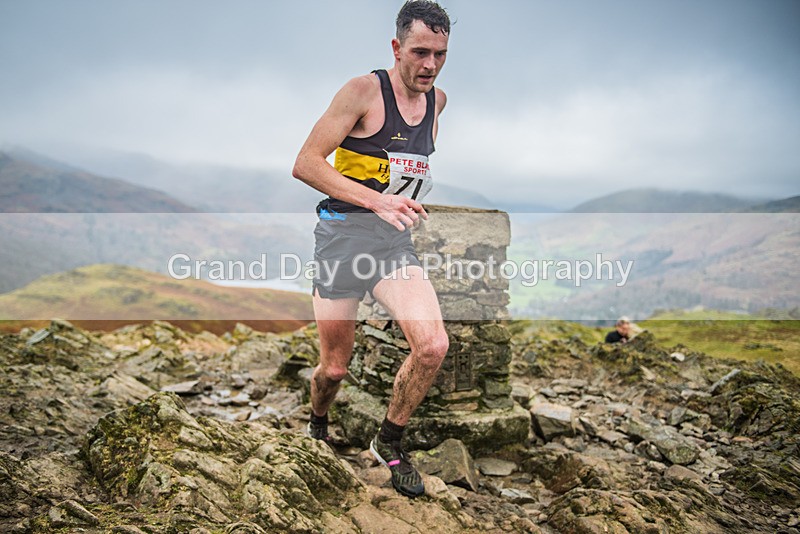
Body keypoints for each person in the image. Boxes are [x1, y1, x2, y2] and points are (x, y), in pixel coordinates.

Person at [291, 0, 451, 498]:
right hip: (341, 240)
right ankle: (318, 422)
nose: (429, 65)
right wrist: (376, 200)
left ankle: (389, 441)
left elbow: (407, 168)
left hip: (391, 245)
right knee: (334, 369)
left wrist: (402, 205)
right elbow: (306, 163)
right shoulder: (363, 90)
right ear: (396, 46)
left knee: (433, 346)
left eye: (440, 54)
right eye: (420, 52)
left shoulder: (438, 102)